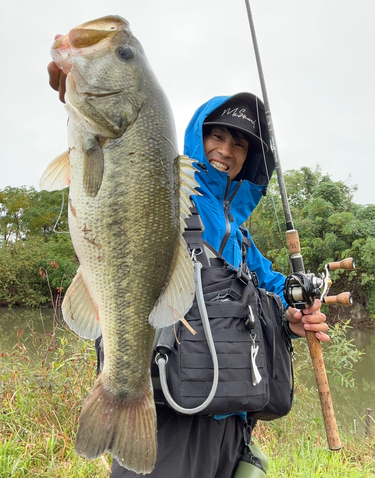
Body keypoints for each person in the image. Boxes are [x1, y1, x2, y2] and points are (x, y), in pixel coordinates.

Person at [48, 62, 329, 478]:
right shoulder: (169, 198)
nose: (226, 150)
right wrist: (78, 92)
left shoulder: (241, 235)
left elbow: (266, 291)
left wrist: (293, 313)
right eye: (217, 135)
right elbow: (117, 167)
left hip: (231, 421)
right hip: (171, 420)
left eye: (240, 144)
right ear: (197, 136)